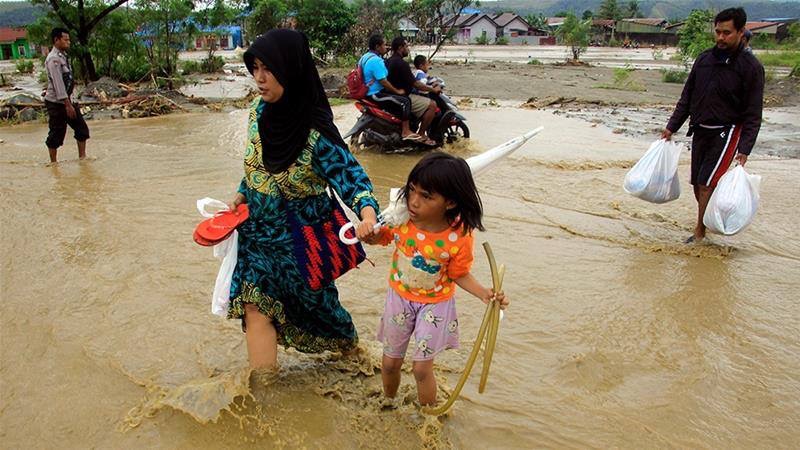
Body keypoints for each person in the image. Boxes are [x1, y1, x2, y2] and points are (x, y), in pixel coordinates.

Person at [227, 29, 380, 370]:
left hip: (301, 247)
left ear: (291, 69)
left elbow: (352, 179)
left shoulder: (315, 134)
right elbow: (257, 162)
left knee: (327, 317)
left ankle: (356, 359)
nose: (259, 78)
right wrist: (239, 194)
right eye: (254, 68)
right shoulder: (258, 113)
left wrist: (368, 217)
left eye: (268, 69)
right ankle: (263, 396)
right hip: (258, 237)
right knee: (255, 307)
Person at [362, 152, 509, 406]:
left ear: (450, 203)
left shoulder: (459, 235)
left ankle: (427, 419)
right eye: (412, 191)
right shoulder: (402, 219)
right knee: (389, 363)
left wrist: (485, 293)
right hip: (399, 300)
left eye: (426, 196)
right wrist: (367, 233)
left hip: (435, 305)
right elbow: (380, 237)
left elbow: (458, 274)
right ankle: (388, 403)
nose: (414, 202)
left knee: (421, 369)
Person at [661, 7, 764, 244]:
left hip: (727, 131)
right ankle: (717, 215)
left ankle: (699, 233)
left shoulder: (751, 67)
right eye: (717, 32)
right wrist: (671, 127)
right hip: (700, 129)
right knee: (698, 185)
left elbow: (753, 113)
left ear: (740, 32)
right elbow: (687, 97)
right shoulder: (705, 59)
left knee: (706, 183)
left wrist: (744, 149)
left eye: (727, 33)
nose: (720, 37)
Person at [358, 34, 421, 143]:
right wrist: (397, 91)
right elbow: (384, 81)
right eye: (384, 45)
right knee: (405, 101)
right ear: (377, 47)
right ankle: (405, 131)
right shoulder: (376, 61)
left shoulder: (365, 57)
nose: (386, 47)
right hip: (375, 94)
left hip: (367, 93)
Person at [385, 37, 441, 146]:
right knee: (432, 105)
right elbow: (416, 84)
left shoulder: (388, 61)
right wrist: (433, 89)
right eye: (406, 46)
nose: (408, 49)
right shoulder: (402, 64)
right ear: (400, 48)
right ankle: (421, 134)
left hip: (391, 95)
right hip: (403, 96)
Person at [44, 27, 89, 164]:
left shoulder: (63, 57)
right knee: (56, 134)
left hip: (69, 100)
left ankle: (82, 159)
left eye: (69, 39)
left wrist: (72, 101)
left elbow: (66, 80)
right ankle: (53, 164)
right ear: (56, 40)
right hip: (57, 103)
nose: (68, 42)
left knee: (82, 129)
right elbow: (58, 84)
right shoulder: (53, 59)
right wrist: (67, 104)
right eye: (65, 39)